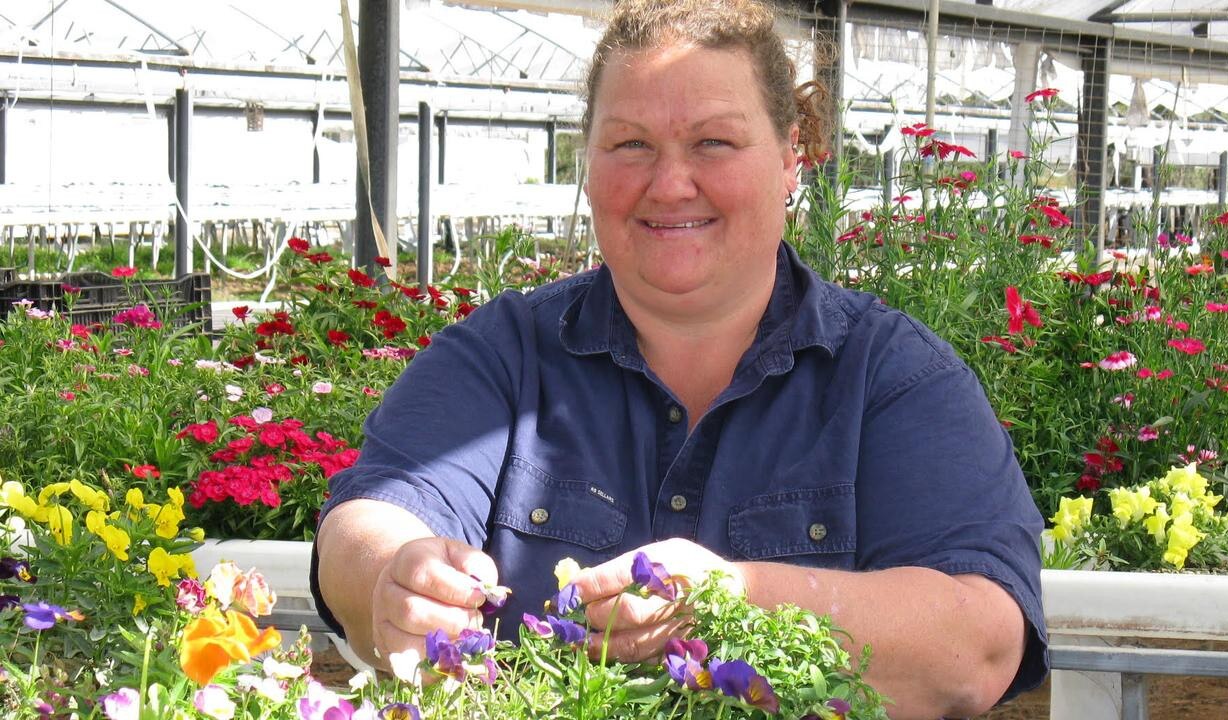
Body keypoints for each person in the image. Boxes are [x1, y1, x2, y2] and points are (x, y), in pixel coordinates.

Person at [312, 0, 1048, 716]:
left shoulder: (891, 377)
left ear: (793, 156)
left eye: (713, 143)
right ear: (590, 162)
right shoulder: (504, 355)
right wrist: (391, 579)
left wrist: (734, 599)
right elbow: (369, 519)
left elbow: (981, 643)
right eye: (631, 144)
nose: (669, 185)